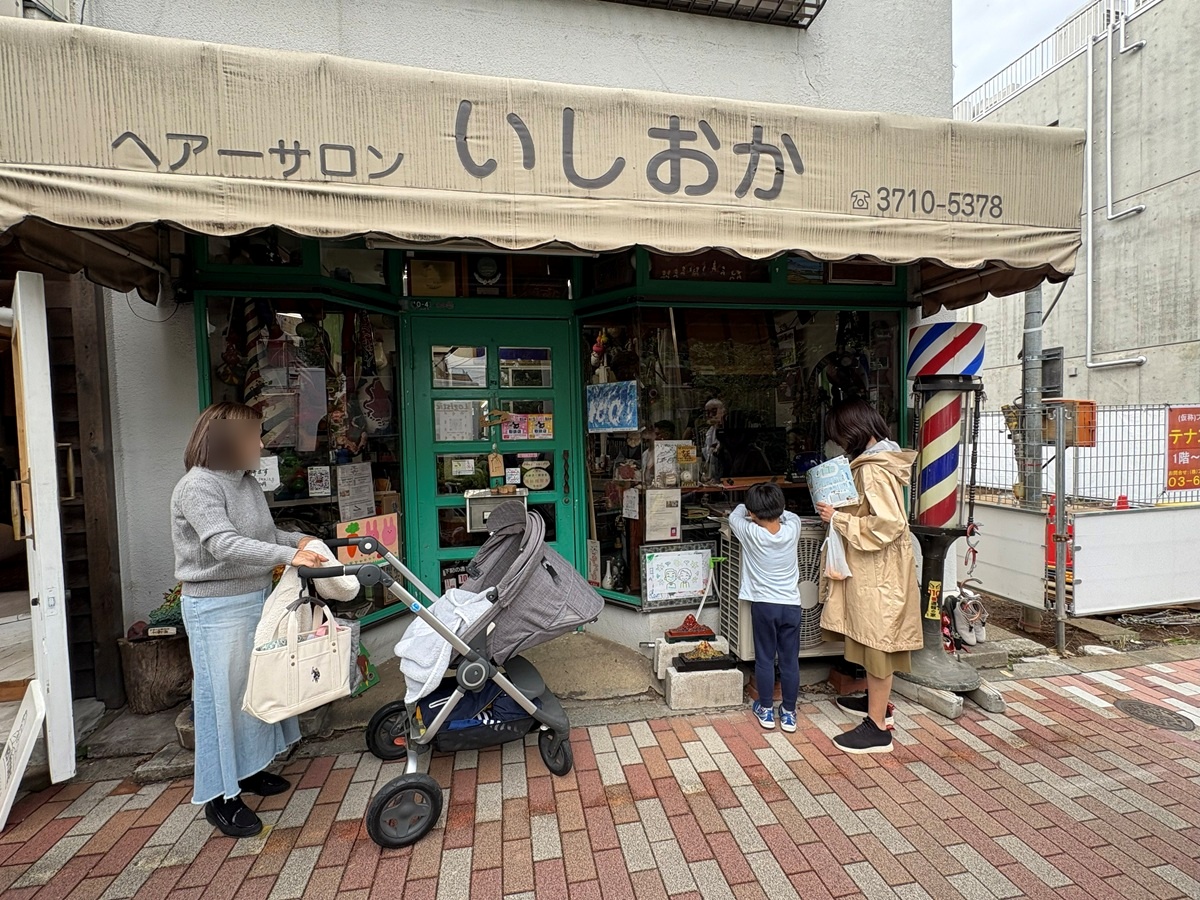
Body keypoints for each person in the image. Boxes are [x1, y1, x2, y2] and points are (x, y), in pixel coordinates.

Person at [171, 402, 327, 837]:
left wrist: (304, 540)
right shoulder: (197, 487)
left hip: (256, 598)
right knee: (221, 700)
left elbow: (264, 536)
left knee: (256, 691)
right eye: (254, 435)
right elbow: (222, 543)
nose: (261, 443)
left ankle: (251, 769)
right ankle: (221, 796)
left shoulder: (244, 483)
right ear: (227, 441)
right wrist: (288, 554)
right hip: (216, 609)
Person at [815, 400, 920, 755]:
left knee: (878, 644)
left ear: (854, 431)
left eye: (840, 436)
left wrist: (837, 518)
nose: (840, 444)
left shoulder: (872, 469)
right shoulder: (880, 462)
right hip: (880, 568)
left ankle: (877, 728)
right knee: (872, 638)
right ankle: (876, 707)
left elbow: (889, 523)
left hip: (879, 572)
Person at [728, 483, 802, 733]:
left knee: (765, 658)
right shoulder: (793, 528)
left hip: (764, 605)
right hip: (791, 605)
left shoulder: (750, 531)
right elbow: (789, 515)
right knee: (790, 661)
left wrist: (747, 509)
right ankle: (790, 713)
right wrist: (776, 511)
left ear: (752, 513)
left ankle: (767, 710)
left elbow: (733, 515)